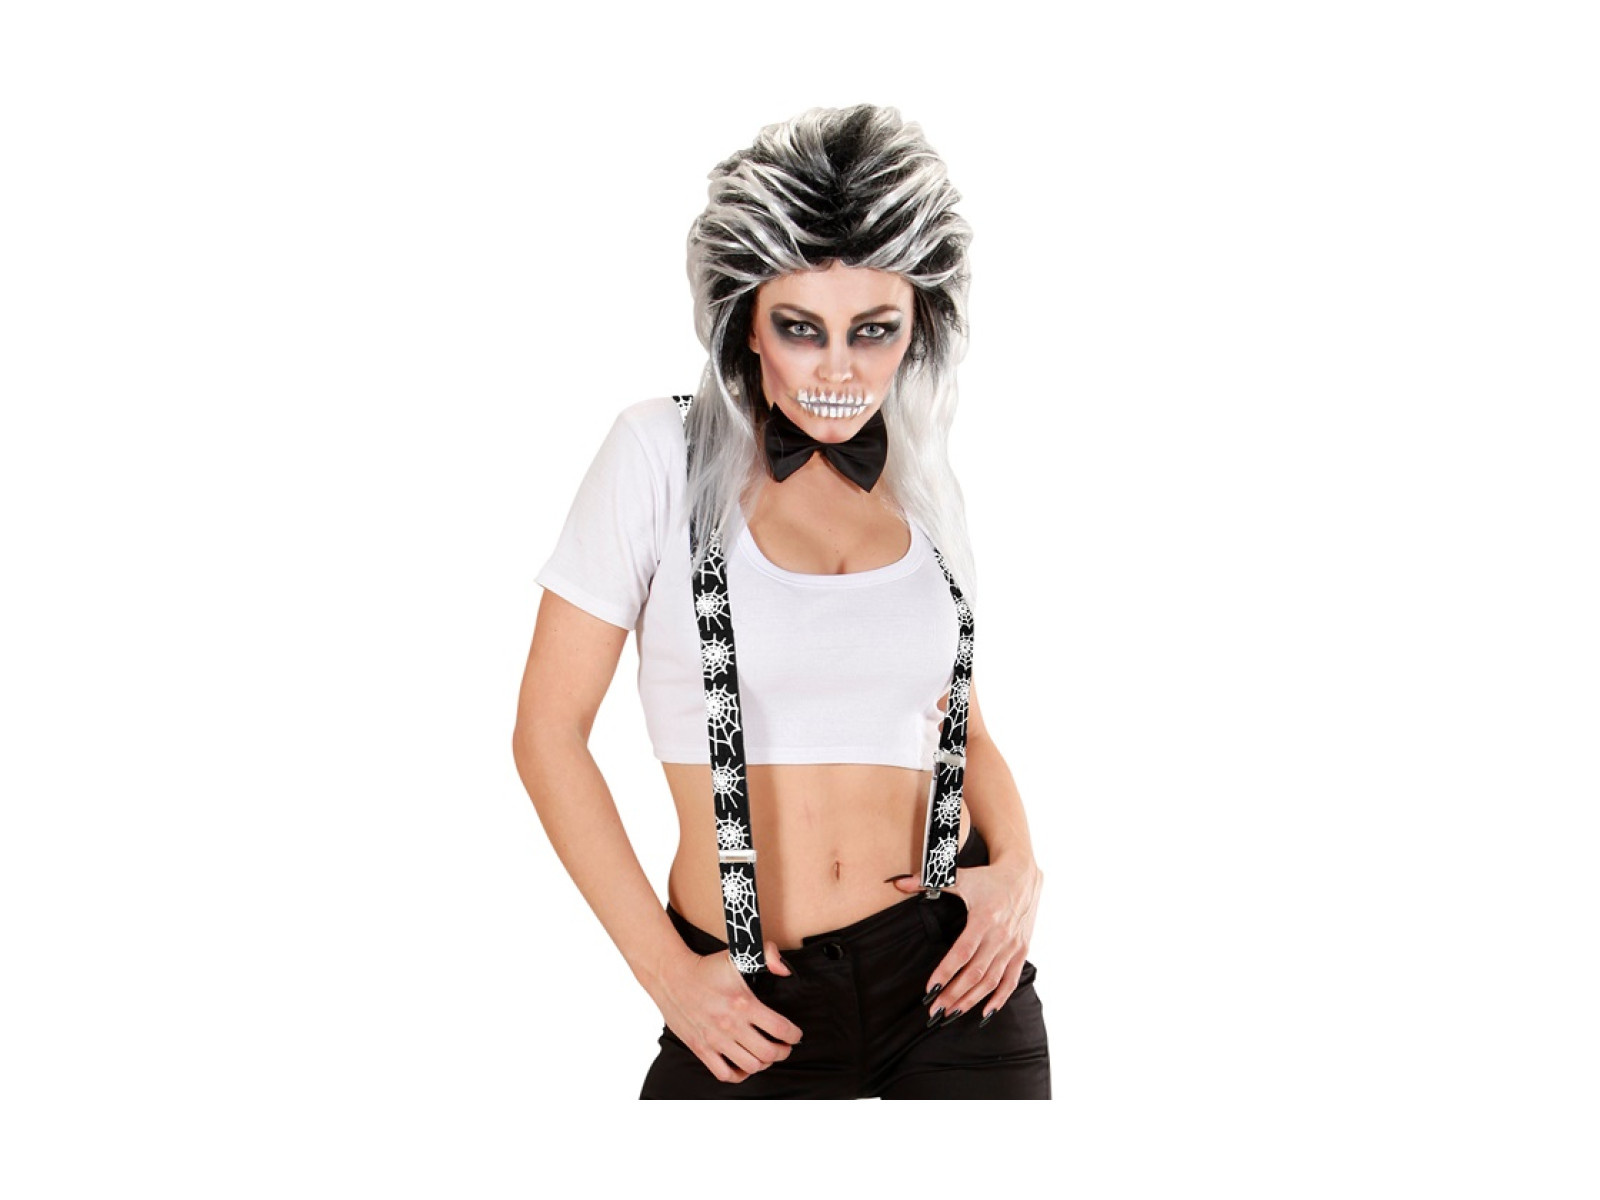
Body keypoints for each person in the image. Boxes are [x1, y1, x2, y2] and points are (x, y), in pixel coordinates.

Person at [512, 104, 1050, 1099]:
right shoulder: (658, 457)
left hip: (951, 979)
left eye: (874, 331)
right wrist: (667, 975)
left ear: (918, 327)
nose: (840, 370)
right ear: (747, 324)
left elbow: (962, 728)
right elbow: (547, 733)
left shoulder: (924, 487)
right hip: (742, 996)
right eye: (802, 329)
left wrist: (1018, 867)